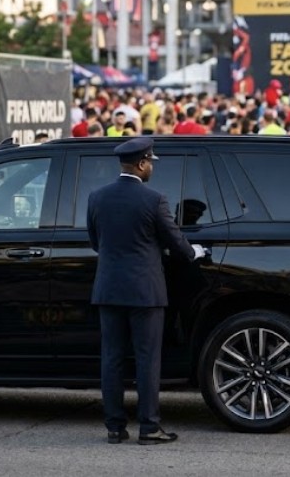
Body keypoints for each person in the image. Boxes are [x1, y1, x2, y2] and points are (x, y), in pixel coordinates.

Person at [86, 137, 203, 445]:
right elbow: (175, 241)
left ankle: (114, 427)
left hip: (109, 289)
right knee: (146, 359)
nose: (151, 167)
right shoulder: (154, 199)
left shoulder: (97, 197)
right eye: (150, 162)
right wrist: (195, 253)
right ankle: (149, 427)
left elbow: (96, 242)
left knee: (111, 359)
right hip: (145, 291)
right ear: (140, 164)